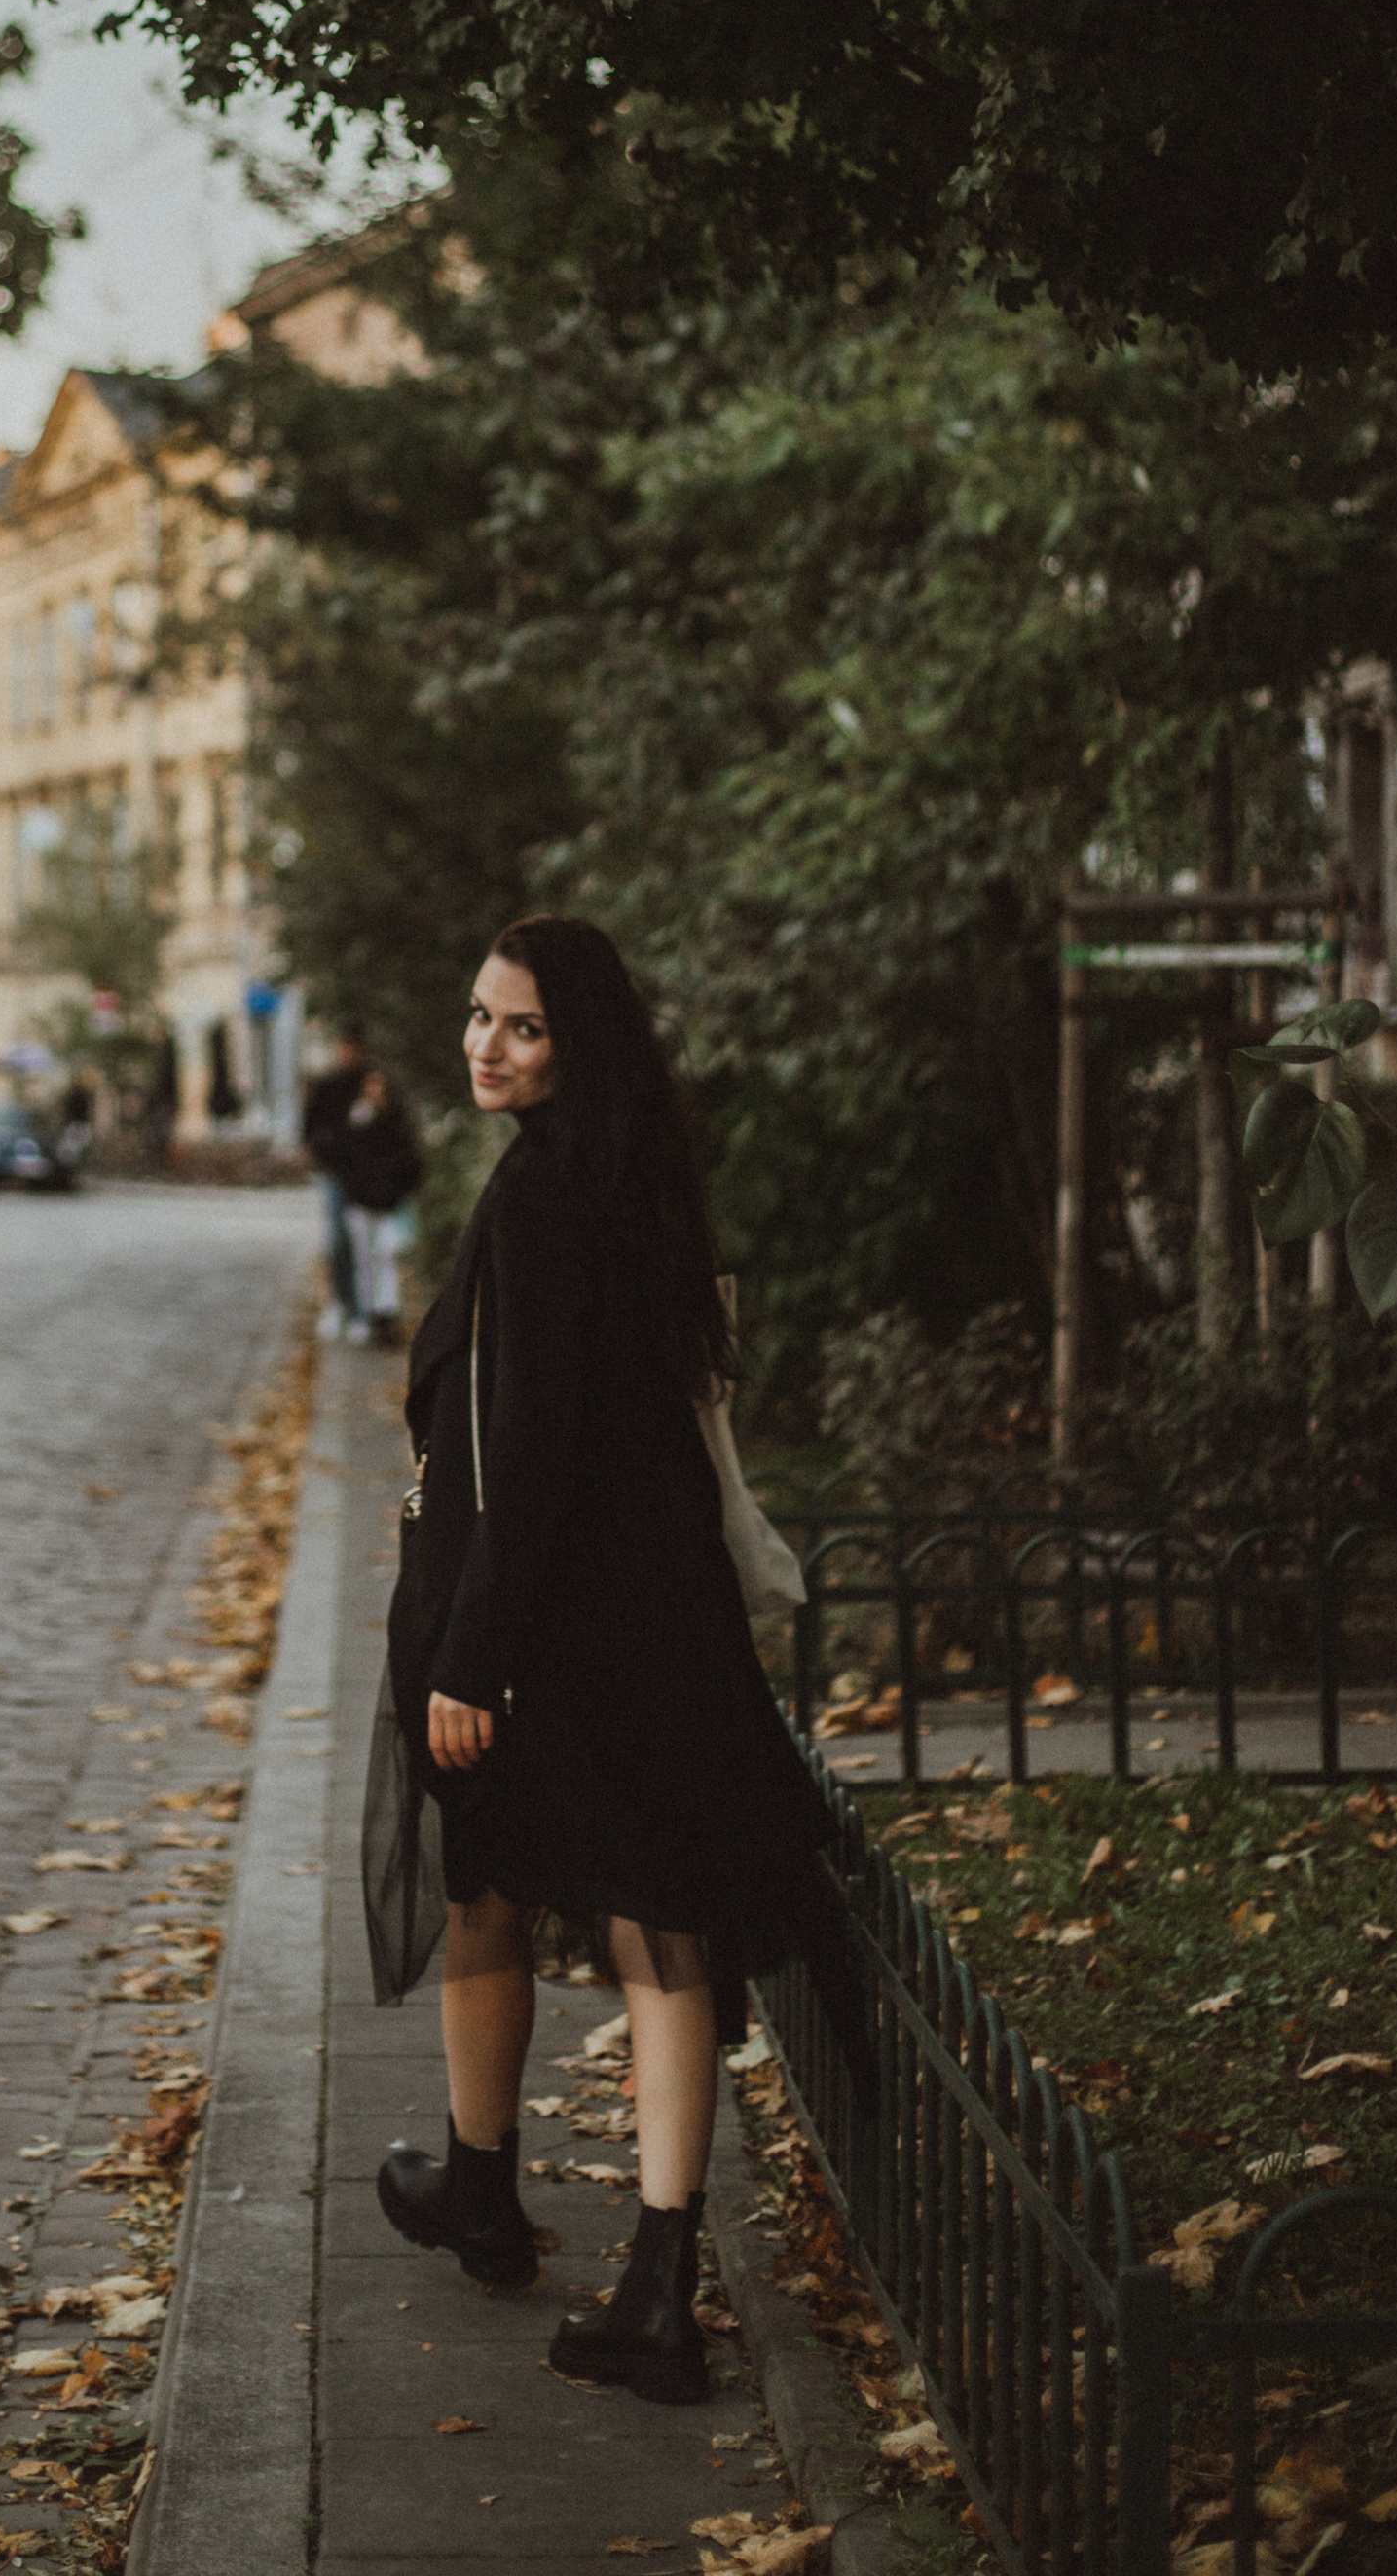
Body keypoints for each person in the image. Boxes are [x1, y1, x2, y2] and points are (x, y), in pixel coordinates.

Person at [361, 914, 867, 2405]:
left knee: (610, 1910)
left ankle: (646, 2281)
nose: (484, 1045)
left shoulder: (539, 1202)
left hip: (568, 1632)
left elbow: (527, 1453)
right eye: (475, 1017)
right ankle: (498, 2196)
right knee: (569, 1896)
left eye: (518, 1025)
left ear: (574, 1042)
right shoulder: (627, 1179)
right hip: (647, 1612)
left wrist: (471, 1658)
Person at [334, 1067, 421, 1345]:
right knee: (364, 1259)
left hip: (386, 1203)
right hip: (361, 1201)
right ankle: (367, 1315)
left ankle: (386, 1314)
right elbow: (346, 1157)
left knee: (385, 1256)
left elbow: (407, 1160)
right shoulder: (356, 1118)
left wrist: (395, 1190)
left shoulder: (395, 1120)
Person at [302, 1028, 369, 1342]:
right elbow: (310, 1128)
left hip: (367, 1177)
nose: (345, 1054)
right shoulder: (327, 1086)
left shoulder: (368, 1084)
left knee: (366, 1244)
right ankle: (340, 1306)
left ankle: (361, 1311)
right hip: (337, 1175)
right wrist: (326, 1153)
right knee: (336, 1241)